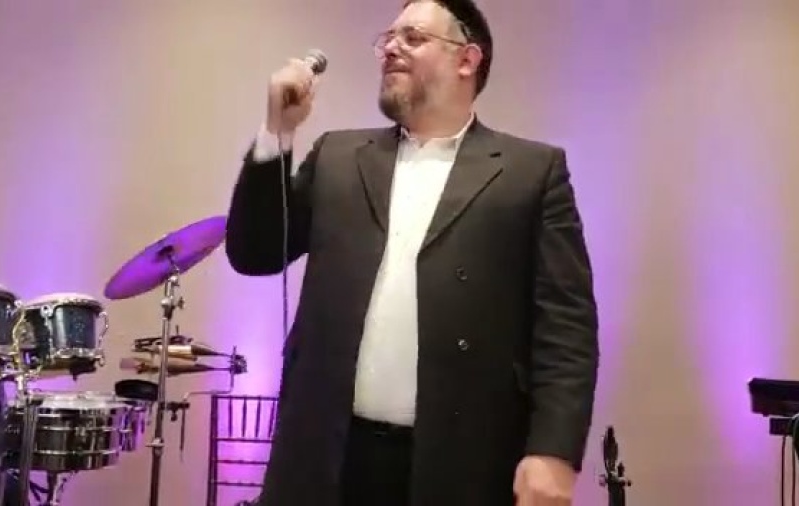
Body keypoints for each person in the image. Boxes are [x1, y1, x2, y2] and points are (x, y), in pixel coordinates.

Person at [224, 0, 599, 504]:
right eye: (388, 39)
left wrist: (553, 451)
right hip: (325, 457)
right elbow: (255, 253)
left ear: (467, 59)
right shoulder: (338, 155)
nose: (391, 49)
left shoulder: (531, 172)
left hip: (462, 461)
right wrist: (278, 132)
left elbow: (566, 327)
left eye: (413, 38)